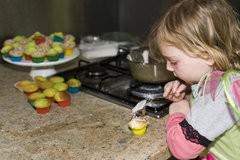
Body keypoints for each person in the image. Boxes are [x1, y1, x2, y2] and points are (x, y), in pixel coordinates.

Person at [148, 0, 240, 159]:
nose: (169, 68)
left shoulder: (220, 95)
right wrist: (190, 84)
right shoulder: (229, 75)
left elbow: (182, 149)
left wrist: (178, 110)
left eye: (174, 61)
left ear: (206, 55)